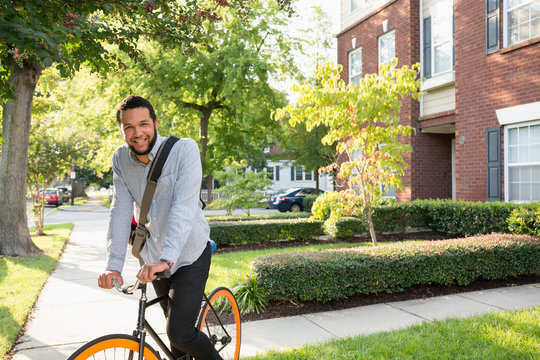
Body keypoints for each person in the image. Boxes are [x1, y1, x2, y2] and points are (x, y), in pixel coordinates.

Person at [97, 95, 222, 360]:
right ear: (121, 129)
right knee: (175, 341)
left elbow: (183, 208)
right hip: (152, 256)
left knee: (180, 333)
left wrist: (167, 260)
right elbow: (119, 210)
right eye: (128, 127)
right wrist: (113, 264)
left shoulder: (184, 150)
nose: (137, 132)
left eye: (143, 124)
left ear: (155, 123)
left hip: (189, 253)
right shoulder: (120, 158)